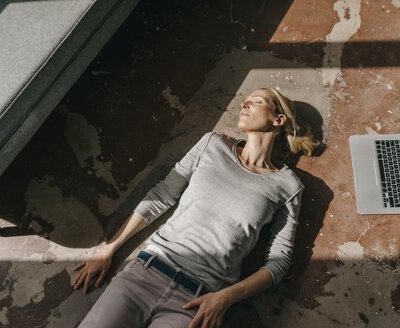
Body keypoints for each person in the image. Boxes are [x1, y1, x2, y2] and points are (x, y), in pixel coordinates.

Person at [74, 87, 319, 328]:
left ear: (278, 119)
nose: (244, 104)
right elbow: (161, 196)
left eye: (256, 101)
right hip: (143, 275)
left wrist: (225, 298)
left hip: (198, 303)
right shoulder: (211, 144)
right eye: (245, 101)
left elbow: (279, 261)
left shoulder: (288, 186)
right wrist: (109, 250)